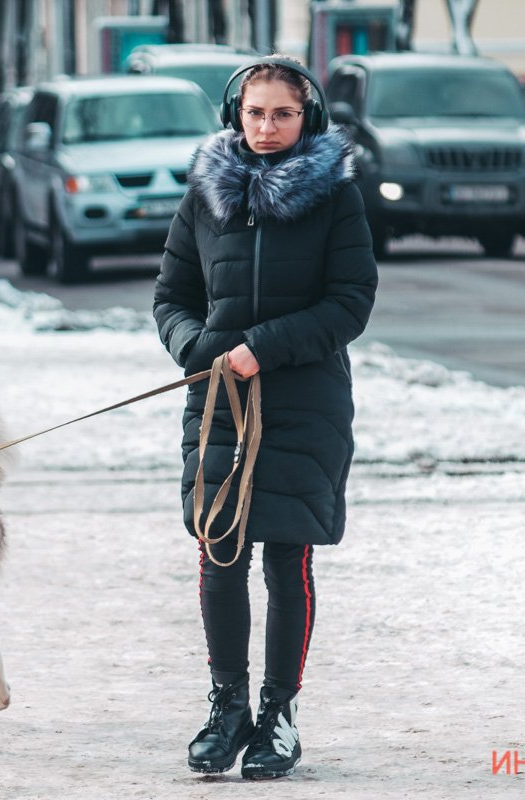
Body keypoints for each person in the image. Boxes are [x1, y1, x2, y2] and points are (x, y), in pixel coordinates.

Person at [153, 56, 378, 779]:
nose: (267, 126)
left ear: (305, 116)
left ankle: (279, 715)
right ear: (235, 116)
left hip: (303, 403)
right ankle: (228, 710)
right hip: (219, 401)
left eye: (282, 113)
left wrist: (262, 349)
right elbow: (171, 296)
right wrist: (199, 349)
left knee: (287, 556)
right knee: (221, 552)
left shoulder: (335, 199)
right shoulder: (206, 195)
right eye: (255, 113)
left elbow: (351, 302)